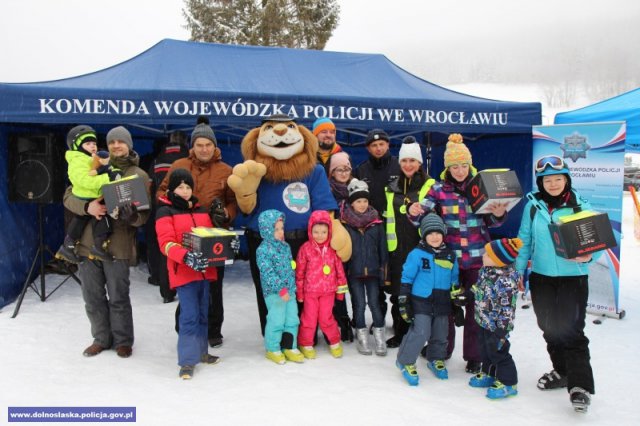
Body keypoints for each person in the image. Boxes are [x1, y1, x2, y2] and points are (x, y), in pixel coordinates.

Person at [407, 133, 507, 373]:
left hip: (476, 260)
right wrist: (413, 211)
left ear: (470, 165)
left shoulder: (480, 187)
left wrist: (499, 213)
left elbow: (492, 222)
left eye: (463, 165)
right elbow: (422, 218)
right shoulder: (438, 190)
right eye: (455, 166)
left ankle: (474, 355)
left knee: (476, 308)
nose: (460, 171)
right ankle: (441, 348)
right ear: (447, 168)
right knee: (444, 307)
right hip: (447, 260)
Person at [515, 155, 598, 413]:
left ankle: (580, 386)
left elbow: (598, 242)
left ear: (567, 180)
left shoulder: (581, 207)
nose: (552, 184)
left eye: (558, 179)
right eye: (547, 180)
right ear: (541, 182)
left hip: (573, 278)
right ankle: (561, 370)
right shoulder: (533, 206)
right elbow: (524, 240)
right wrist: (519, 271)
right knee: (549, 328)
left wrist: (590, 255)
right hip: (541, 277)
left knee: (572, 330)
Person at [62, 125, 149, 358]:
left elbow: (143, 217)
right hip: (86, 245)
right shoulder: (94, 167)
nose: (116, 145)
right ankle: (101, 338)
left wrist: (131, 215)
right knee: (92, 297)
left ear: (129, 145)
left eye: (121, 142)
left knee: (118, 296)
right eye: (112, 142)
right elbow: (69, 196)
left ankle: (123, 340)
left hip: (118, 245)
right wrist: (86, 206)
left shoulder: (137, 175)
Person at [157, 117, 237, 348]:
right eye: (199, 144)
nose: (204, 149)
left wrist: (226, 215)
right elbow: (161, 193)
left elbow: (234, 202)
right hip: (184, 237)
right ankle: (185, 327)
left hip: (215, 238)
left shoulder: (226, 170)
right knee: (188, 285)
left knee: (214, 285)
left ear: (215, 146)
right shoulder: (179, 166)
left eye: (208, 145)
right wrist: (172, 203)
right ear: (193, 146)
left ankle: (213, 330)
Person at [155, 168, 221, 379]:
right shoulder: (165, 211)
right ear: (172, 189)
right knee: (189, 316)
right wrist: (185, 257)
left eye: (188, 187)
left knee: (203, 314)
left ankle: (202, 352)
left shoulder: (201, 209)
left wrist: (226, 243)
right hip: (183, 272)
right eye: (180, 187)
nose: (184, 191)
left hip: (204, 271)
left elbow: (211, 237)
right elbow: (166, 243)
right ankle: (186, 360)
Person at [383, 137, 435, 348]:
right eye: (404, 160)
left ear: (420, 163)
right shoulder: (391, 187)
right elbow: (388, 216)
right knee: (398, 293)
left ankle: (421, 334)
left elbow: (430, 211)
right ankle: (400, 332)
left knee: (421, 294)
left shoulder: (429, 185)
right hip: (397, 249)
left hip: (420, 248)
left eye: (412, 160)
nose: (408, 165)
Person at [395, 214, 458, 386]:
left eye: (438, 233)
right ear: (423, 235)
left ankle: (436, 358)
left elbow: (454, 280)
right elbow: (407, 278)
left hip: (442, 300)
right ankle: (405, 361)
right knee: (421, 331)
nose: (435, 237)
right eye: (430, 233)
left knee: (440, 332)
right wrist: (404, 299)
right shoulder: (416, 254)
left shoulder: (450, 255)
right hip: (421, 300)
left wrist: (456, 302)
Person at [56, 125, 121, 263]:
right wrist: (108, 178)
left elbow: (103, 168)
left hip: (93, 194)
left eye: (94, 143)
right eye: (88, 143)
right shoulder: (78, 161)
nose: (93, 146)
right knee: (98, 217)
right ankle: (92, 247)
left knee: (86, 218)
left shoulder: (90, 158)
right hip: (86, 193)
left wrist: (112, 171)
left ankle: (73, 245)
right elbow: (85, 180)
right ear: (78, 146)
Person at [469, 237, 522, 399]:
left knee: (499, 352)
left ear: (497, 260)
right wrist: (467, 295)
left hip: (498, 326)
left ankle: (509, 382)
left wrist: (502, 330)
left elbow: (507, 309)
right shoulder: (486, 271)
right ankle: (489, 373)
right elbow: (479, 288)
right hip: (484, 320)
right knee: (485, 350)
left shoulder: (505, 282)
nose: (483, 255)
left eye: (487, 254)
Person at [341, 178, 388, 356]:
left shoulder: (376, 224)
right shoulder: (345, 225)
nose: (362, 204)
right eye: (358, 201)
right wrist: (343, 273)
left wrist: (384, 273)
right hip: (354, 273)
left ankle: (379, 336)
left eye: (365, 201)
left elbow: (383, 250)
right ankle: (361, 336)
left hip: (374, 272)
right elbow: (343, 251)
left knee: (375, 304)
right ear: (352, 203)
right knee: (359, 304)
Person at [295, 210, 348, 359]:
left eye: (323, 232)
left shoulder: (332, 249)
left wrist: (340, 292)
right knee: (309, 318)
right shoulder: (305, 249)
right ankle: (305, 344)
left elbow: (340, 272)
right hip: (310, 292)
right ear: (310, 230)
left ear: (329, 231)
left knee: (326, 318)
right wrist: (300, 292)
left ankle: (335, 342)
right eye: (316, 231)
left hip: (328, 291)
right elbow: (300, 272)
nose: (319, 235)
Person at [256, 209, 304, 365]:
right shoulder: (263, 250)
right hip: (275, 293)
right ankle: (273, 348)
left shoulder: (285, 246)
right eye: (276, 229)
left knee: (292, 318)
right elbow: (267, 273)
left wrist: (292, 286)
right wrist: (281, 289)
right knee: (277, 319)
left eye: (282, 228)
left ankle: (289, 346)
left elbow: (290, 267)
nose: (280, 232)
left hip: (289, 290)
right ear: (266, 230)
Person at [146, 131, 189, 302]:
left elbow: (149, 187)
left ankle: (165, 289)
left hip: (161, 209)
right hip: (185, 210)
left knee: (165, 248)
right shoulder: (189, 159)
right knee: (186, 247)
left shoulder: (156, 160)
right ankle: (184, 283)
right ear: (186, 141)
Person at [327, 151, 354, 342]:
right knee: (339, 284)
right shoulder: (327, 191)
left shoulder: (357, 188)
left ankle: (357, 319)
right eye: (339, 170)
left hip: (356, 244)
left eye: (346, 169)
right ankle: (341, 320)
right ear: (332, 173)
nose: (343, 173)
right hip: (336, 246)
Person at [353, 129, 400, 217]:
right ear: (368, 149)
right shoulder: (361, 170)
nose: (378, 148)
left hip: (396, 220)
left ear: (388, 145)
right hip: (370, 220)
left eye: (381, 144)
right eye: (374, 145)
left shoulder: (400, 165)